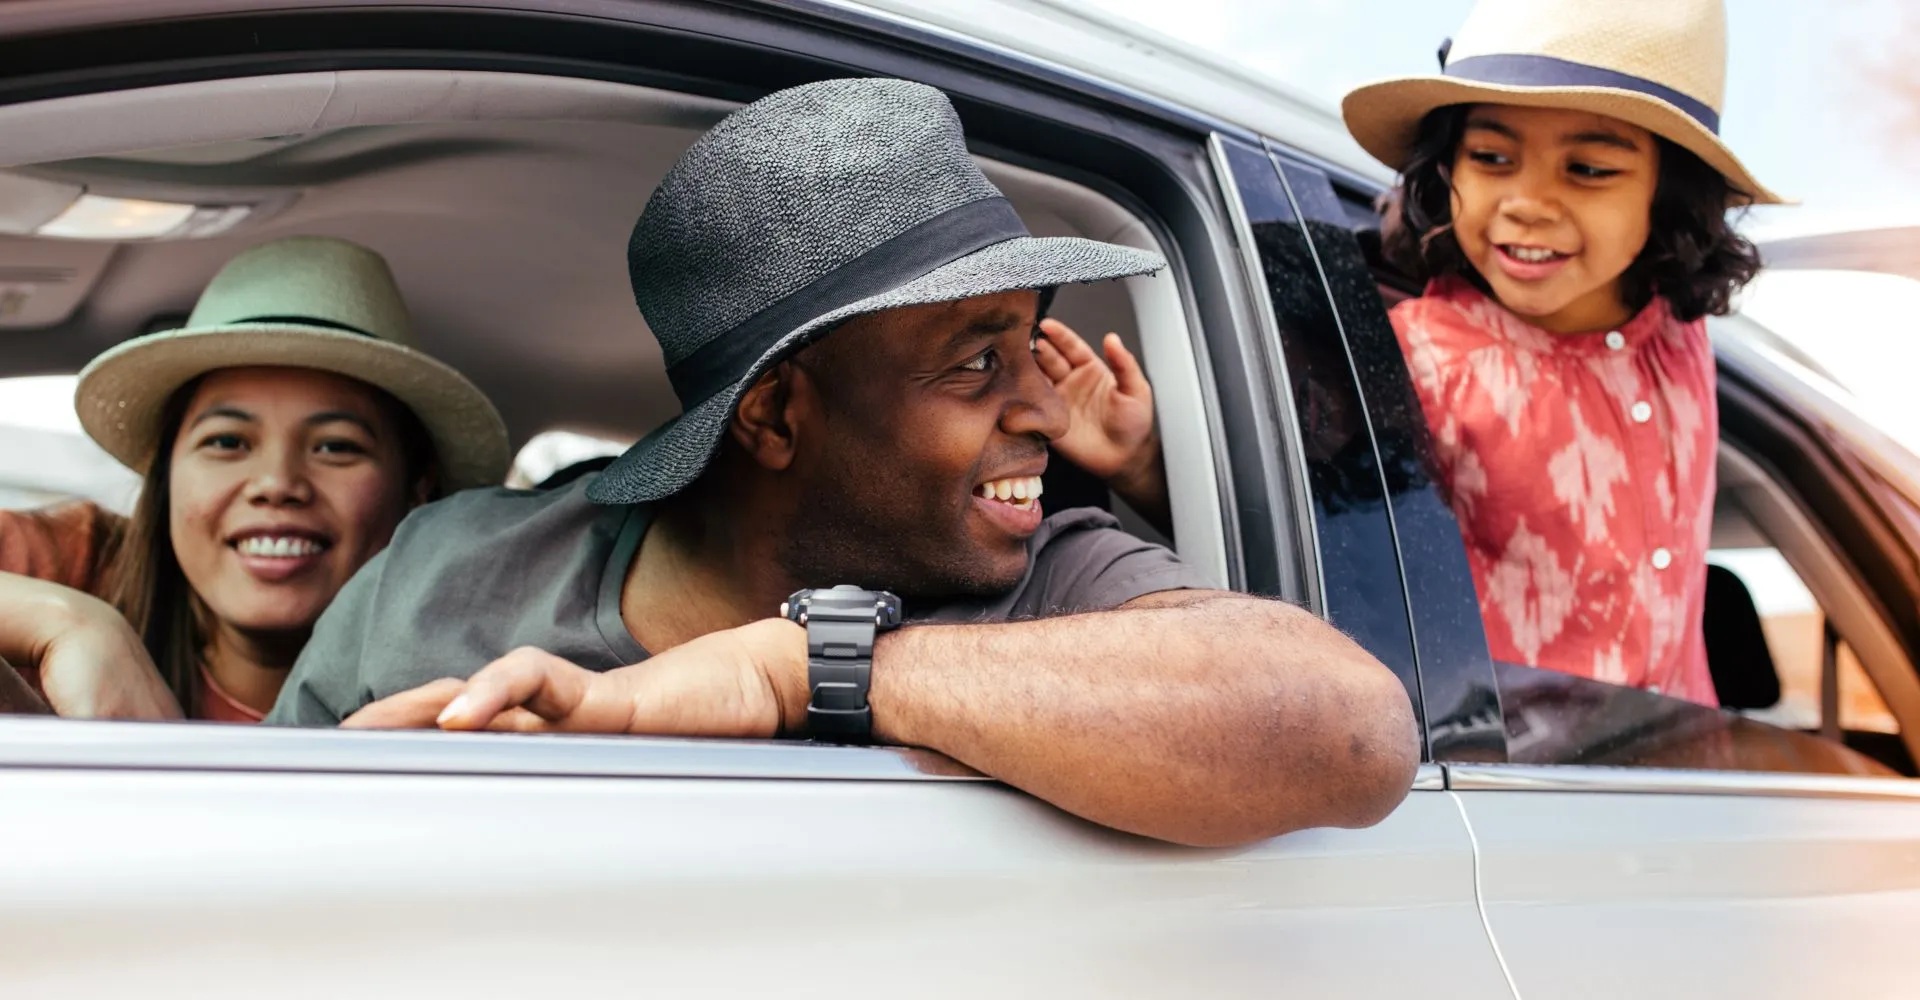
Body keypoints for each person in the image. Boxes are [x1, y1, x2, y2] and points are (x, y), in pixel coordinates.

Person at [267, 78, 1419, 848]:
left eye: (1030, 343)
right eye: (976, 362)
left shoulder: (1047, 581)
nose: (1041, 408)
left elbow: (1356, 731)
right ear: (773, 415)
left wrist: (801, 668)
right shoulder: (443, 567)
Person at [1039, 0, 1771, 708]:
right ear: (1448, 170)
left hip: (1684, 763)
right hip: (1526, 785)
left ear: (1668, 193)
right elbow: (1327, 559)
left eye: (1589, 170)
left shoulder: (1682, 331)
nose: (1528, 201)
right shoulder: (1415, 363)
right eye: (1491, 157)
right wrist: (1145, 464)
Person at [0, 236, 509, 721]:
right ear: (167, 473)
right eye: (227, 442)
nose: (276, 482)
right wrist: (68, 622)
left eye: (336, 446)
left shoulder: (480, 675)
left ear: (416, 488)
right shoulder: (79, 564)